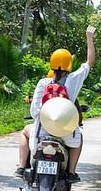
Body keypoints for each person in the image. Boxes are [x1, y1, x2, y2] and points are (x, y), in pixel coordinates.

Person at [14, 25, 96, 183]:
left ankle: (21, 167)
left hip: (41, 133)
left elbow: (34, 112)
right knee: (79, 139)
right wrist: (89, 38)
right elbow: (90, 62)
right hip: (66, 133)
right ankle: (71, 172)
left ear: (51, 64)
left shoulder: (43, 83)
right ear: (69, 65)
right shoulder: (73, 80)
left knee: (24, 131)